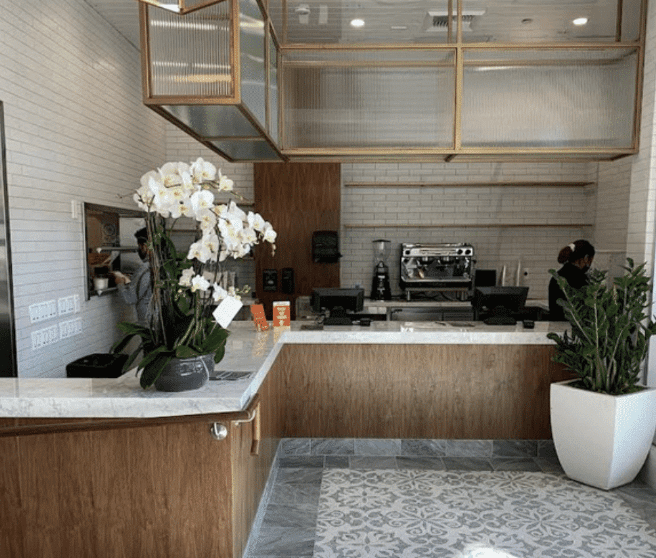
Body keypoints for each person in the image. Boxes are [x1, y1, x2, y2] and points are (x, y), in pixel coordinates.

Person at [112, 227, 153, 325]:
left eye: (140, 246)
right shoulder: (162, 265)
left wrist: (120, 283)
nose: (139, 250)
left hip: (148, 323)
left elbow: (129, 298)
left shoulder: (145, 269)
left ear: (145, 246)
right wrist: (133, 279)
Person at [548, 239, 595, 321]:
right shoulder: (581, 278)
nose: (589, 265)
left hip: (556, 325)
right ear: (586, 258)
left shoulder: (557, 276)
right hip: (574, 325)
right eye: (590, 260)